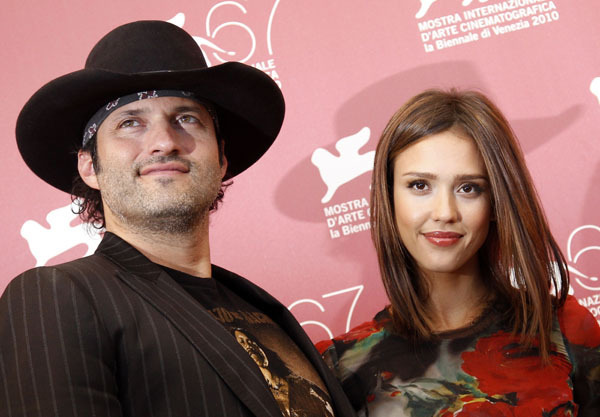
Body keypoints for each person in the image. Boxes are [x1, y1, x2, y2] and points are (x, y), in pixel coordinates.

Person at [0, 20, 356, 417]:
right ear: (89, 167)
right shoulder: (59, 295)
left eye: (186, 118)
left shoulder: (262, 310)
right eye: (130, 122)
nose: (165, 142)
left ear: (221, 160)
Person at [317, 89, 600, 416]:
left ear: (495, 201)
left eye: (469, 188)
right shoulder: (340, 367)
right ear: (389, 196)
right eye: (420, 185)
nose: (444, 212)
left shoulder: (563, 326)